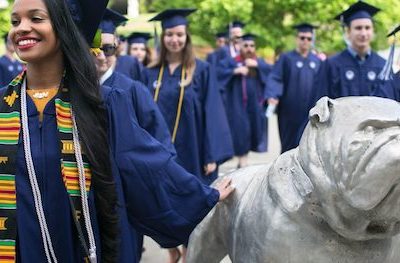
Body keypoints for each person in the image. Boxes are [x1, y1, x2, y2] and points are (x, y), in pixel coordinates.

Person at [1, 1, 234, 262]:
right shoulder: (4, 108)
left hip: (89, 249)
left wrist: (202, 195)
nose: (21, 28)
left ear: (65, 28)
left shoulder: (104, 104)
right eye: (15, 21)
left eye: (36, 18)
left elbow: (142, 164)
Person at [141, 8, 234, 262]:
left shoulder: (201, 70)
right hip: (160, 155)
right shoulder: (149, 73)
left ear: (186, 36)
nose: (174, 39)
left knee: (192, 205)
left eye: (179, 34)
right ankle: (172, 251)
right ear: (163, 37)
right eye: (170, 34)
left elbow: (212, 111)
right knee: (163, 205)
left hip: (193, 150)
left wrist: (212, 153)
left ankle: (191, 253)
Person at [264, 23, 321, 153]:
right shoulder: (286, 58)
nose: (305, 41)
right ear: (297, 39)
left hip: (310, 111)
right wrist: (273, 95)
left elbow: (322, 84)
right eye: (302, 38)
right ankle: (285, 172)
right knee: (288, 146)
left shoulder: (317, 61)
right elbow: (275, 77)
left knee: (308, 146)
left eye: (308, 38)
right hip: (288, 112)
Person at [218, 33, 271, 168]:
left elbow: (272, 74)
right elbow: (218, 73)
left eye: (252, 46)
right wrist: (234, 71)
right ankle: (243, 162)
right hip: (236, 105)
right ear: (240, 46)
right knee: (241, 131)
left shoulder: (259, 62)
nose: (249, 48)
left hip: (255, 105)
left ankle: (243, 161)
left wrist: (258, 65)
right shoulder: (231, 61)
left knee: (252, 131)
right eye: (246, 45)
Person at [313, 0, 385, 101]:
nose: (363, 33)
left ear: (373, 31)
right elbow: (320, 104)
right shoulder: (331, 65)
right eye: (358, 28)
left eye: (367, 28)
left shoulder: (383, 65)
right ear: (348, 32)